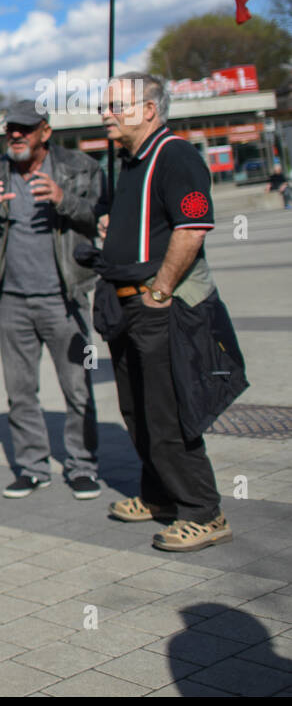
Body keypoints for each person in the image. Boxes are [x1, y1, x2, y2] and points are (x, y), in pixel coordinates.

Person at [96, 73, 234, 551]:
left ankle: (203, 511)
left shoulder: (175, 155)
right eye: (103, 105)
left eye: (116, 105)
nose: (105, 113)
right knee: (137, 409)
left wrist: (160, 291)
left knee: (167, 411)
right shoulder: (129, 162)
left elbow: (192, 227)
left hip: (157, 306)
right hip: (123, 305)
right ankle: (159, 496)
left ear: (149, 109)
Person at [0, 100, 108, 501]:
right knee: (20, 390)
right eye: (10, 128)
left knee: (77, 388)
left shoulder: (80, 168)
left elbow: (100, 218)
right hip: (13, 300)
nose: (15, 135)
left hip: (66, 297)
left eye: (24, 128)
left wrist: (64, 200)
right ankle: (32, 467)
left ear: (45, 131)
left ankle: (82, 465)